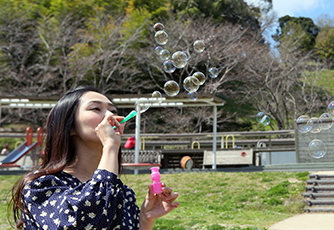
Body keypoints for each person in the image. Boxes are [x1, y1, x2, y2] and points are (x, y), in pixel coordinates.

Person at [10, 86, 179, 229]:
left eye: (113, 111)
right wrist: (111, 146)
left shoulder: (122, 192)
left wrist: (145, 219)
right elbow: (85, 221)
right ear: (70, 127)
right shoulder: (41, 186)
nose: (110, 116)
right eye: (96, 109)